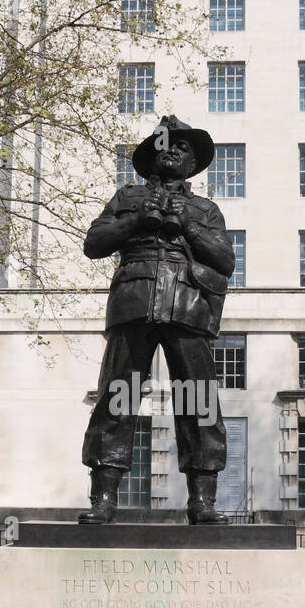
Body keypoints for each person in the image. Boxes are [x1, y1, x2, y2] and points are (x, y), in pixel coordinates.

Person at [78, 115, 236, 525]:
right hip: (135, 300)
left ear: (192, 164)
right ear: (152, 157)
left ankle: (202, 502)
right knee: (119, 398)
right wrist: (135, 220)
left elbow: (225, 260)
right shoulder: (126, 197)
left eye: (184, 148)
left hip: (187, 304)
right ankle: (104, 499)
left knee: (197, 402)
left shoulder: (205, 208)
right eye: (167, 145)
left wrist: (188, 226)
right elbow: (93, 244)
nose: (174, 152)